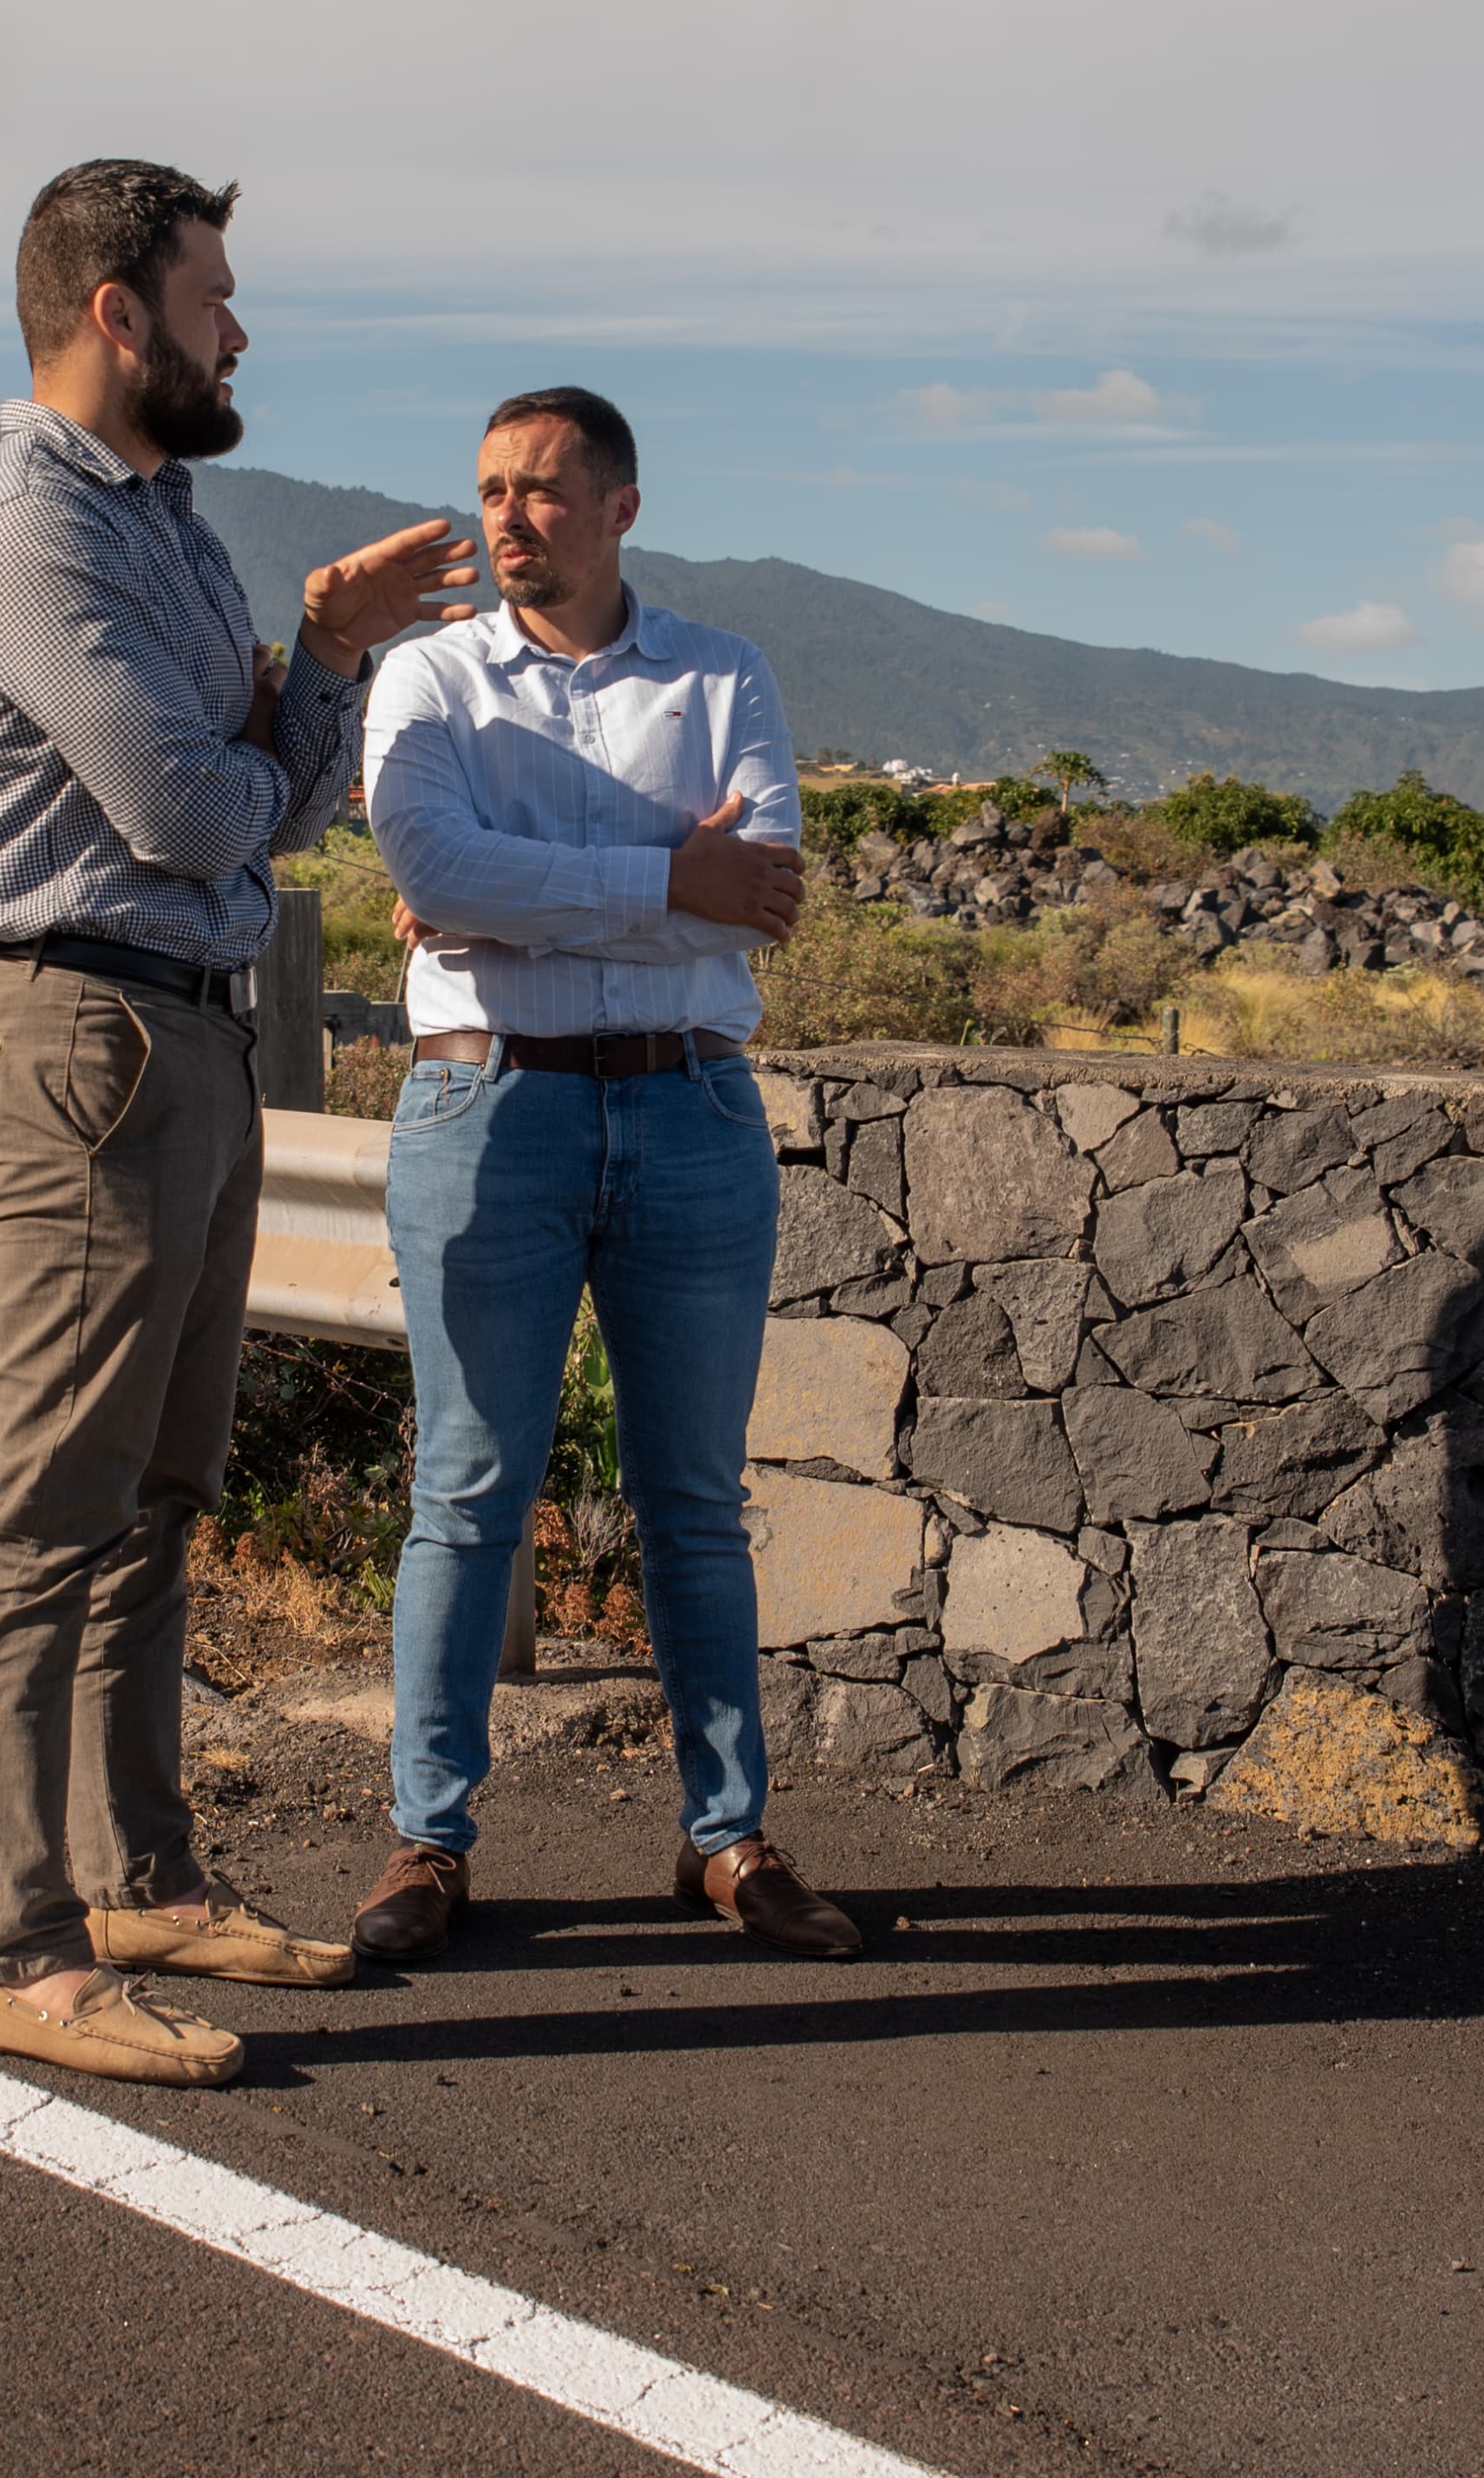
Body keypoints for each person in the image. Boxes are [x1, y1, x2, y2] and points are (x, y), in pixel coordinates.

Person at [0, 159, 477, 2088]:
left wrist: (307, 661)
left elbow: (276, 788)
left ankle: (138, 1874)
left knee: (155, 1496)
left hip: (190, 1036)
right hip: (79, 1033)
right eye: (215, 294)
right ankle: (16, 1946)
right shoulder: (21, 543)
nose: (242, 332)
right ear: (117, 316)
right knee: (46, 1513)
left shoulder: (169, 524)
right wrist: (288, 691)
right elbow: (201, 809)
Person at [345, 386, 864, 1969]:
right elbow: (431, 870)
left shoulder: (723, 674)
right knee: (467, 1490)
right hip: (485, 1114)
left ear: (622, 505)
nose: (510, 516)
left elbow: (754, 898)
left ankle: (729, 1838)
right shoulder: (425, 674)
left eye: (546, 490)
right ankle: (427, 1840)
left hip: (688, 1111)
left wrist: (521, 905)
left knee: (695, 1501)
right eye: (492, 489)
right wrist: (660, 875)